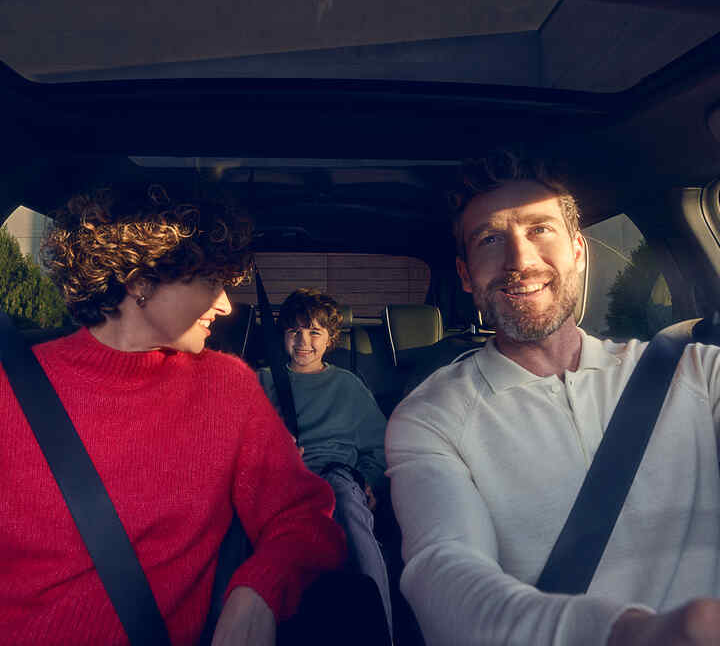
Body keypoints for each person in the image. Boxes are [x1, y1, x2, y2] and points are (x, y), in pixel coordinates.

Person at [385, 150, 720, 646]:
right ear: (464, 275)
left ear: (579, 251)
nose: (520, 261)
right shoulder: (429, 418)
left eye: (540, 229)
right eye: (490, 239)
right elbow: (443, 568)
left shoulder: (699, 371)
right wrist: (628, 635)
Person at [0, 183, 347, 646]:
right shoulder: (13, 388)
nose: (225, 305)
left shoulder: (227, 388)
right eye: (210, 282)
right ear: (140, 281)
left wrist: (259, 588)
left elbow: (304, 517)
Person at [257, 288, 393, 636]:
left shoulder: (348, 385)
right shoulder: (263, 381)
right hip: (277, 478)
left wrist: (368, 480)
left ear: (331, 338)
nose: (304, 341)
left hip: (336, 476)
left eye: (315, 332)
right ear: (283, 336)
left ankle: (380, 630)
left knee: (348, 507)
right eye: (294, 332)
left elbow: (379, 447)